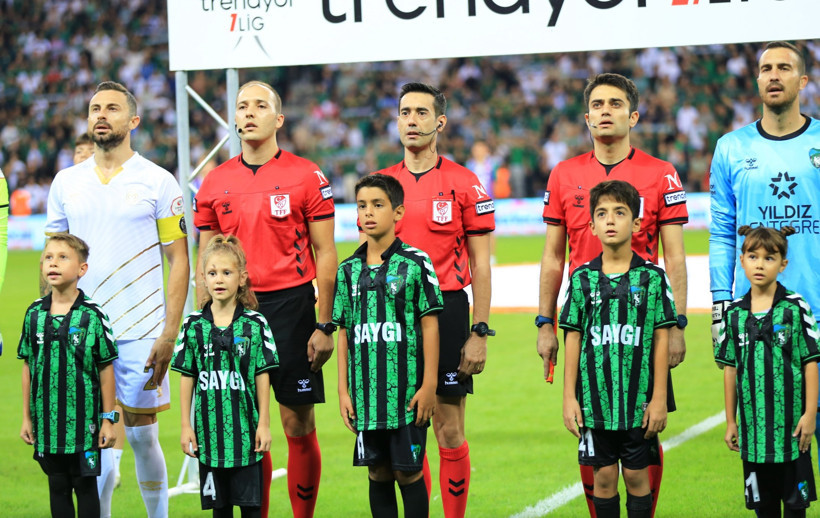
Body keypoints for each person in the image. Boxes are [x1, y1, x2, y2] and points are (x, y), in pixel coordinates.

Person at [537, 72, 688, 517]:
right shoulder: (564, 174)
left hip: (643, 327)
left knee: (645, 429)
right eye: (597, 105)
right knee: (591, 433)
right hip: (586, 330)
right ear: (586, 118)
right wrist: (545, 322)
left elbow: (675, 256)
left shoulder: (661, 173)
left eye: (615, 104)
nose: (605, 111)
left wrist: (678, 324)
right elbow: (553, 257)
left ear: (633, 116)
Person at [45, 81, 189, 518]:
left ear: (133, 120)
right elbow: (53, 258)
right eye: (95, 108)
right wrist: (51, 324)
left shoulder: (158, 181)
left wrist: (169, 332)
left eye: (111, 108)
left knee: (143, 435)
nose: (101, 115)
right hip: (80, 332)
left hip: (140, 331)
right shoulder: (66, 182)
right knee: (93, 438)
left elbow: (179, 260)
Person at [193, 80, 337, 518]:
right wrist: (202, 321)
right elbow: (205, 259)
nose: (249, 112)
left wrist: (325, 324)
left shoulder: (306, 175)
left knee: (297, 423)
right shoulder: (215, 182)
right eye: (242, 106)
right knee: (243, 425)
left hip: (291, 309)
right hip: (233, 313)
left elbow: (325, 252)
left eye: (260, 105)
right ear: (234, 119)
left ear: (278, 119)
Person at [376, 82, 494, 518]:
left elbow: (481, 264)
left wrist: (479, 331)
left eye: (422, 113)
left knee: (448, 427)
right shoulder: (382, 184)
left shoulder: (465, 183)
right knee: (403, 426)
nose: (412, 120)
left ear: (440, 122)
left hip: (446, 309)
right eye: (405, 112)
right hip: (392, 314)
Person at [709, 41, 820, 453]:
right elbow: (722, 232)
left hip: (818, 309)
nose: (774, 75)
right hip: (756, 321)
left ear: (803, 80)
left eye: (784, 68)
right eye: (766, 68)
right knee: (772, 457)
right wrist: (721, 302)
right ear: (757, 80)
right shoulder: (731, 147)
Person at [561, 180, 675, 518]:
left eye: (620, 212)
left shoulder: (653, 278)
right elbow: (572, 338)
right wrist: (569, 398)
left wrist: (659, 398)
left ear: (637, 223)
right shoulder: (581, 279)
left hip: (639, 403)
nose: (610, 220)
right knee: (604, 478)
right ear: (592, 226)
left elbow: (661, 340)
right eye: (602, 214)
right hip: (594, 402)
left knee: (638, 477)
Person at [333, 174, 443, 518]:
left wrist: (429, 385)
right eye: (362, 205)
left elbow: (430, 325)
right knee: (377, 472)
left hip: (407, 395)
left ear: (398, 212)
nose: (368, 212)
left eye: (377, 205)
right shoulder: (347, 270)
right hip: (365, 397)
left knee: (408, 472)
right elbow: (344, 332)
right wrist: (343, 390)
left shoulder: (415, 263)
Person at [715, 225, 819, 518]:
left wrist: (810, 415)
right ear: (742, 260)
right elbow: (730, 369)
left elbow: (810, 362)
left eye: (769, 258)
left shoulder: (795, 308)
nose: (760, 264)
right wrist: (731, 421)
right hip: (753, 436)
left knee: (796, 508)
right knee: (764, 509)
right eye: (753, 256)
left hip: (792, 432)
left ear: (783, 264)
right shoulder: (734, 313)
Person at [172, 234, 279, 518]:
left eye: (227, 273)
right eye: (212, 273)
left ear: (242, 278)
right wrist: (185, 425)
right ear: (203, 279)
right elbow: (187, 376)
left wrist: (264, 424)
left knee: (252, 510)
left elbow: (262, 375)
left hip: (247, 437)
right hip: (209, 439)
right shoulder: (193, 325)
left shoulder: (255, 324)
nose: (219, 279)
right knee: (220, 512)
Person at [18, 232, 119, 518]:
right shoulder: (34, 314)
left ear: (81, 269)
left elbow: (106, 368)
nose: (53, 263)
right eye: (48, 257)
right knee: (57, 487)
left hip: (85, 425)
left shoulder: (92, 316)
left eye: (63, 257)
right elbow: (28, 366)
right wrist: (27, 417)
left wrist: (108, 420)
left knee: (85, 487)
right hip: (47, 424)